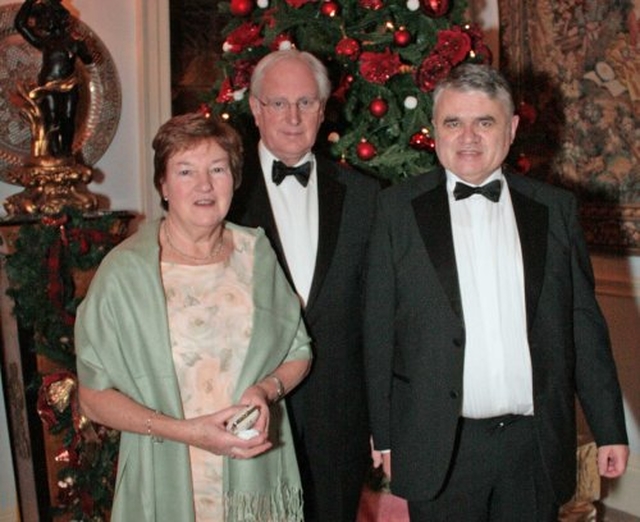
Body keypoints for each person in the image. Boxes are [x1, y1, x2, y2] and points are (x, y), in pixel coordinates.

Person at [363, 63, 629, 521]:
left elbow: (583, 325)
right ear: (435, 130)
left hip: (534, 442)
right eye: (453, 122)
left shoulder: (554, 209)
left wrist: (610, 427)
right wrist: (384, 435)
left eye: (483, 122)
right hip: (438, 444)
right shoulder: (395, 211)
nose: (467, 136)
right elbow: (377, 330)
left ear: (510, 129)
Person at [75, 112, 312, 521]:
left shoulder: (256, 254)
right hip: (168, 471)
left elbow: (300, 351)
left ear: (235, 180)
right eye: (186, 171)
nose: (204, 185)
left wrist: (266, 390)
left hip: (253, 473)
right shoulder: (125, 273)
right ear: (164, 185)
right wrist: (187, 433)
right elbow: (94, 399)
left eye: (217, 169)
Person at [227, 49, 379, 521]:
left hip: (341, 417)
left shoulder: (366, 197)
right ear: (255, 109)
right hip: (246, 410)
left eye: (306, 103)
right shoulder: (221, 194)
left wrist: (383, 422)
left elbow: (380, 317)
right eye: (278, 104)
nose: (293, 117)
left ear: (323, 108)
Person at [15, 0, 93, 158]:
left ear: (58, 20)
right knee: (51, 118)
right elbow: (20, 24)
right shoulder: (45, 42)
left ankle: (66, 151)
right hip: (49, 86)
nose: (45, 22)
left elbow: (88, 59)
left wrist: (82, 47)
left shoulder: (73, 43)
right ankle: (55, 152)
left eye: (48, 18)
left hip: (70, 85)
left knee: (69, 118)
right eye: (44, 19)